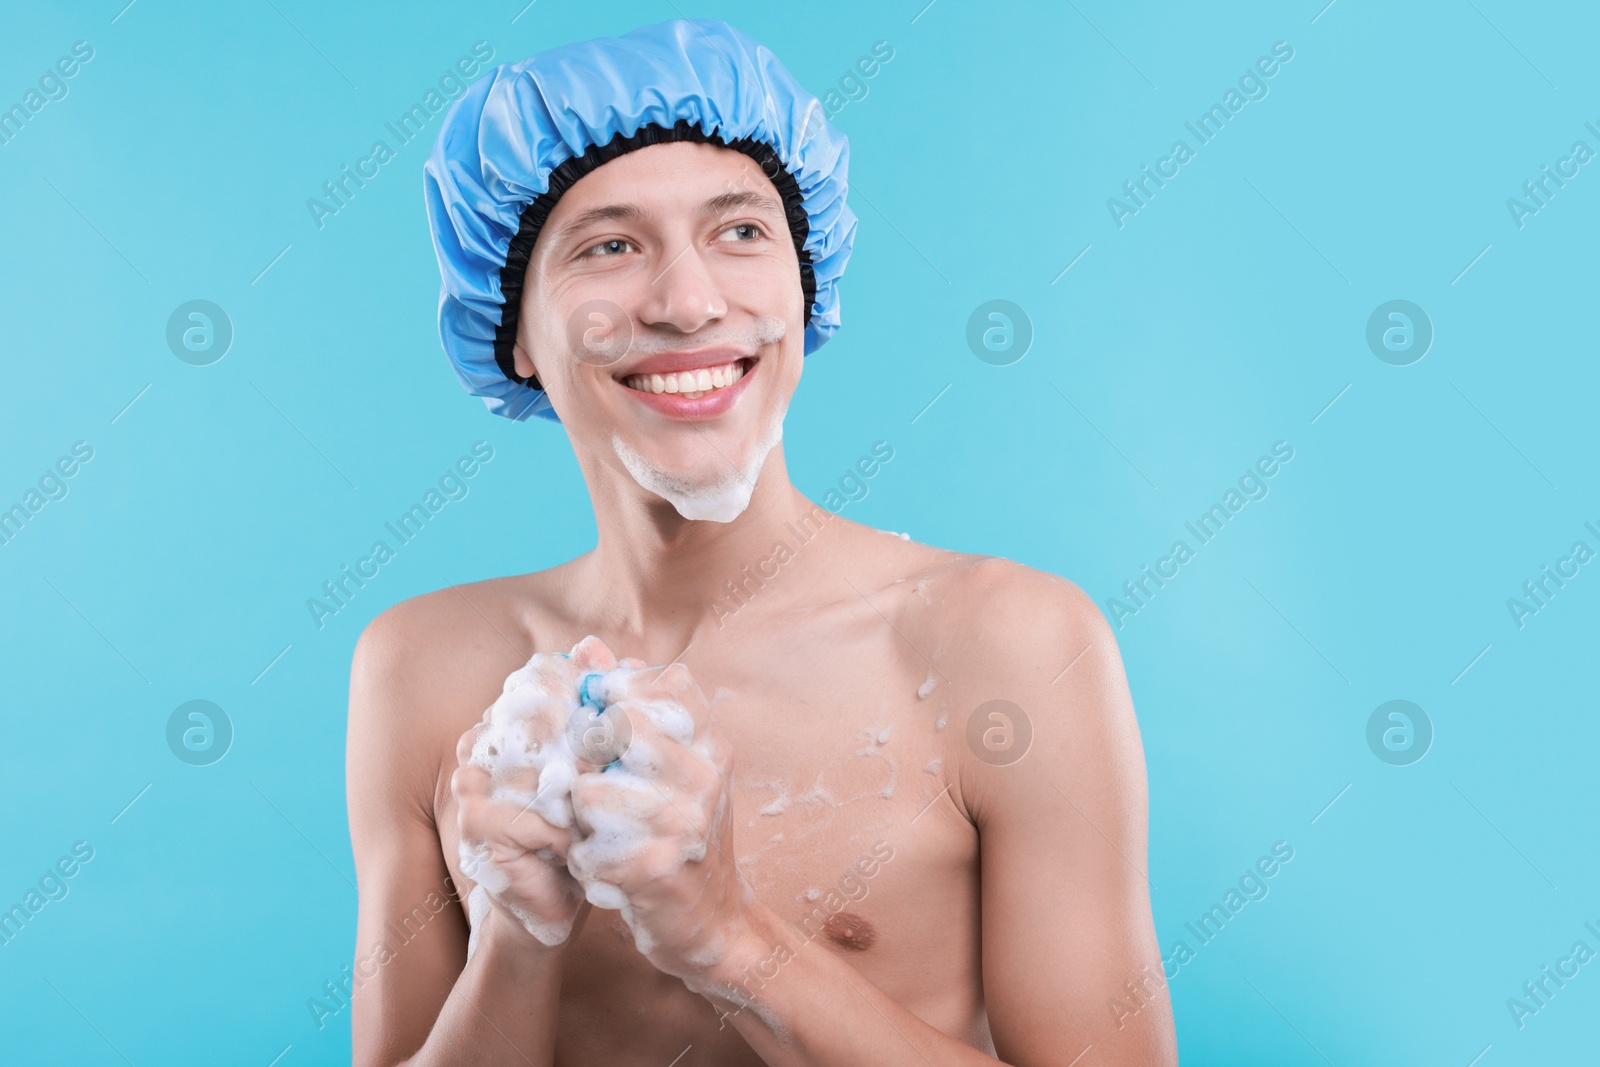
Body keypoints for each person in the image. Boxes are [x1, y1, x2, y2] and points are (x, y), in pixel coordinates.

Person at [346, 18, 1177, 1066]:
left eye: (739, 232)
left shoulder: (1007, 643)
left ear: (805, 281)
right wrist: (516, 936)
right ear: (511, 327)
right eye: (609, 244)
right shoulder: (424, 668)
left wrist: (727, 939)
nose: (690, 302)